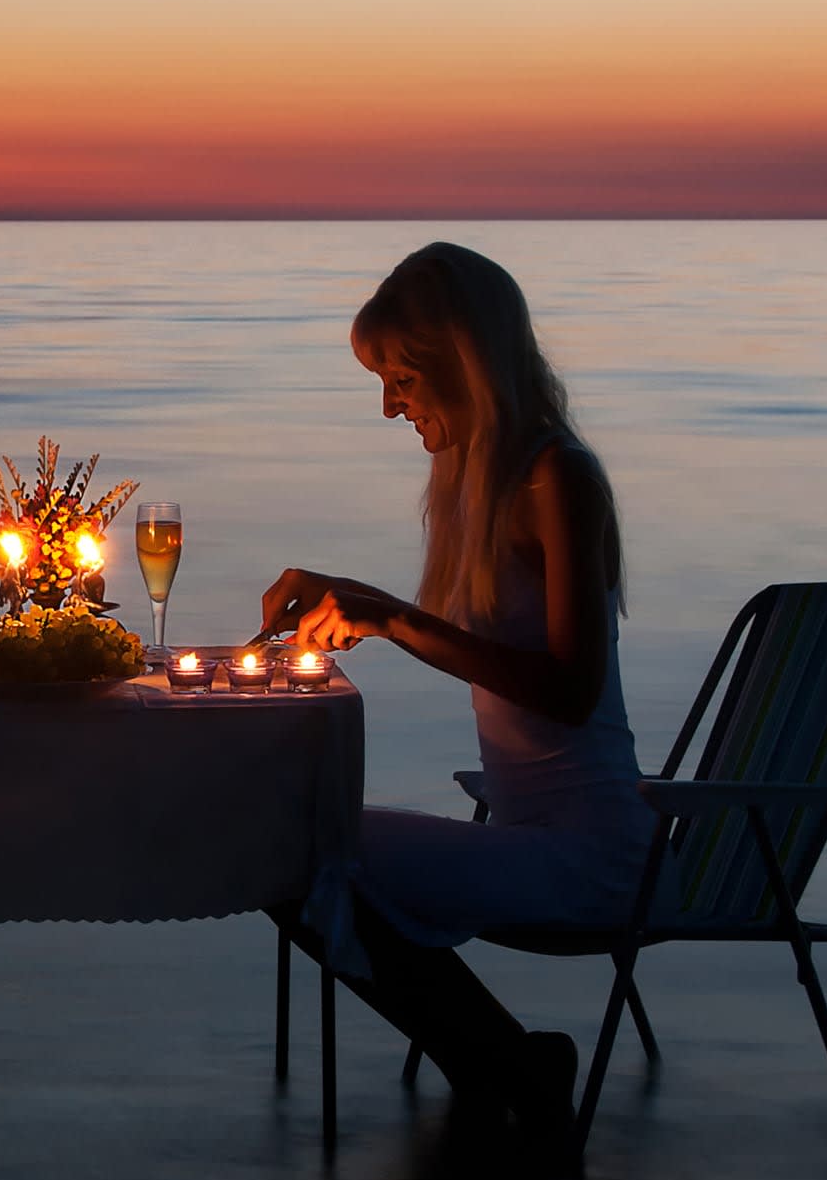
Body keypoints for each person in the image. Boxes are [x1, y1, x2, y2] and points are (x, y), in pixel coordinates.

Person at [263, 242, 665, 1134]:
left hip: (593, 858)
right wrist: (370, 603)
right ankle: (505, 1064)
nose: (387, 406)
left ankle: (509, 1066)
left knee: (290, 850)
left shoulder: (558, 479)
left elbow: (567, 689)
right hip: (531, 835)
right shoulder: (482, 484)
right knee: (285, 841)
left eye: (401, 379)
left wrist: (393, 619)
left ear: (462, 365)